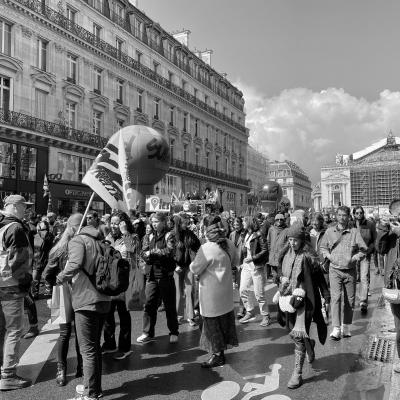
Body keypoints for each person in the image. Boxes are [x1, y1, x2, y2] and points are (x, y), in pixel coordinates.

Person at [56, 215, 111, 400]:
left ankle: (90, 393)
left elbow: (75, 263)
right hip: (104, 298)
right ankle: (93, 387)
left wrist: (60, 276)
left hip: (86, 299)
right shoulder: (101, 240)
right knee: (94, 347)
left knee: (87, 350)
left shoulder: (78, 240)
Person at [276, 224, 328, 389]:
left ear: (302, 240)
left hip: (304, 302)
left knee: (297, 336)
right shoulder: (285, 254)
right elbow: (279, 273)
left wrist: (326, 296)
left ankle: (297, 373)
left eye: (295, 240)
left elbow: (320, 278)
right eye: (290, 240)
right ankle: (309, 343)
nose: (292, 243)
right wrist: (280, 280)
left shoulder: (309, 257)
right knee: (292, 333)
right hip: (287, 299)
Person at [190, 215, 239, 368]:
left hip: (211, 294)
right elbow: (236, 261)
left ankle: (217, 355)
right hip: (225, 291)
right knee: (224, 322)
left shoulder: (207, 248)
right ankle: (221, 352)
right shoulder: (229, 243)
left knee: (212, 325)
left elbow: (195, 268)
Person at [42, 214, 83, 387]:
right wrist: (52, 292)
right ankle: (62, 369)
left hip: (80, 291)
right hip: (63, 291)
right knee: (66, 333)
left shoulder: (83, 245)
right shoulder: (61, 248)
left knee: (81, 332)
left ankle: (81, 366)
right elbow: (47, 274)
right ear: (74, 228)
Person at [0, 195, 34, 391]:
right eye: (23, 206)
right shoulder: (16, 228)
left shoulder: (2, 226)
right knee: (13, 330)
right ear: (12, 206)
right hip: (11, 286)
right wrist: (26, 283)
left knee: (1, 329)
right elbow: (18, 263)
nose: (26, 209)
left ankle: (2, 368)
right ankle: (9, 375)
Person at [320, 206, 367, 340]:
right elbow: (323, 247)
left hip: (350, 271)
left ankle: (345, 326)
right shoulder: (329, 231)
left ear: (348, 217)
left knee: (350, 300)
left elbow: (364, 249)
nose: (342, 218)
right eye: (339, 215)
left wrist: (355, 258)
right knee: (336, 299)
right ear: (336, 216)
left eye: (344, 215)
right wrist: (329, 257)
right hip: (334, 270)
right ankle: (336, 329)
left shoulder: (354, 232)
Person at [137, 212, 179, 344]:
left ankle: (173, 331)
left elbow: (170, 251)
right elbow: (143, 252)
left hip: (166, 275)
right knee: (149, 304)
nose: (154, 224)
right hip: (152, 275)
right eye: (152, 222)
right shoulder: (149, 236)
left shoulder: (169, 235)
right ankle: (147, 332)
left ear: (163, 221)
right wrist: (146, 256)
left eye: (156, 221)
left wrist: (154, 252)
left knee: (169, 305)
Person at [102, 211, 139, 360]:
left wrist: (125, 233)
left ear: (124, 223)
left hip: (124, 280)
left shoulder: (132, 237)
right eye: (112, 223)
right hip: (110, 280)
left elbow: (133, 250)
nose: (114, 226)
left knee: (123, 314)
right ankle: (109, 343)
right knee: (108, 313)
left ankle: (125, 347)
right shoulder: (109, 237)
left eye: (117, 223)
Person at [377, 201, 400, 373]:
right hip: (395, 285)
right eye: (396, 214)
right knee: (399, 329)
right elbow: (380, 249)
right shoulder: (391, 234)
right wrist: (384, 229)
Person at [239, 216, 271, 327]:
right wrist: (242, 262)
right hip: (246, 266)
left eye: (244, 221)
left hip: (257, 266)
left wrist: (252, 258)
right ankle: (250, 310)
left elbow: (265, 250)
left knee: (259, 294)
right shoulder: (245, 234)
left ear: (249, 223)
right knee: (243, 289)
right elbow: (244, 250)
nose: (243, 223)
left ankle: (265, 315)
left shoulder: (259, 234)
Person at [174, 214, 201, 326]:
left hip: (188, 266)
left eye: (187, 222)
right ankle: (178, 316)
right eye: (185, 222)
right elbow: (170, 252)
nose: (187, 224)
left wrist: (194, 259)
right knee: (178, 292)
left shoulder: (189, 233)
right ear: (179, 223)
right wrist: (175, 265)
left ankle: (190, 316)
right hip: (177, 267)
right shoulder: (173, 235)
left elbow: (198, 245)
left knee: (189, 291)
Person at [353, 206, 376, 314]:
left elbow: (374, 240)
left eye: (360, 213)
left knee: (364, 277)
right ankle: (351, 301)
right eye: (357, 213)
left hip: (365, 255)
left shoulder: (370, 224)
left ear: (363, 213)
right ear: (354, 214)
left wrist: (368, 251)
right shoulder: (350, 225)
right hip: (352, 255)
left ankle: (363, 302)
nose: (359, 215)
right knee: (353, 278)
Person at [32, 220, 54, 299]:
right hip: (39, 260)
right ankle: (37, 293)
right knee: (38, 278)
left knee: (44, 277)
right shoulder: (36, 236)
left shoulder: (48, 235)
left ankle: (45, 292)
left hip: (42, 260)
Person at [229, 217, 246, 318]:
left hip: (242, 263)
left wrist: (242, 263)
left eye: (238, 224)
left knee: (241, 287)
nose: (236, 226)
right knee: (232, 287)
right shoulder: (232, 234)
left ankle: (241, 308)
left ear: (241, 224)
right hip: (233, 263)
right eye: (234, 225)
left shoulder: (244, 234)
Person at [267, 213, 289, 279]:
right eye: (277, 219)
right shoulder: (271, 229)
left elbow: (288, 244)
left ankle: (280, 288)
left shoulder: (287, 230)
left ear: (283, 220)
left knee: (282, 277)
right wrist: (270, 251)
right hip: (272, 257)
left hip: (282, 258)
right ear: (275, 220)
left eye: (281, 219)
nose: (279, 221)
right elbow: (268, 241)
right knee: (275, 277)